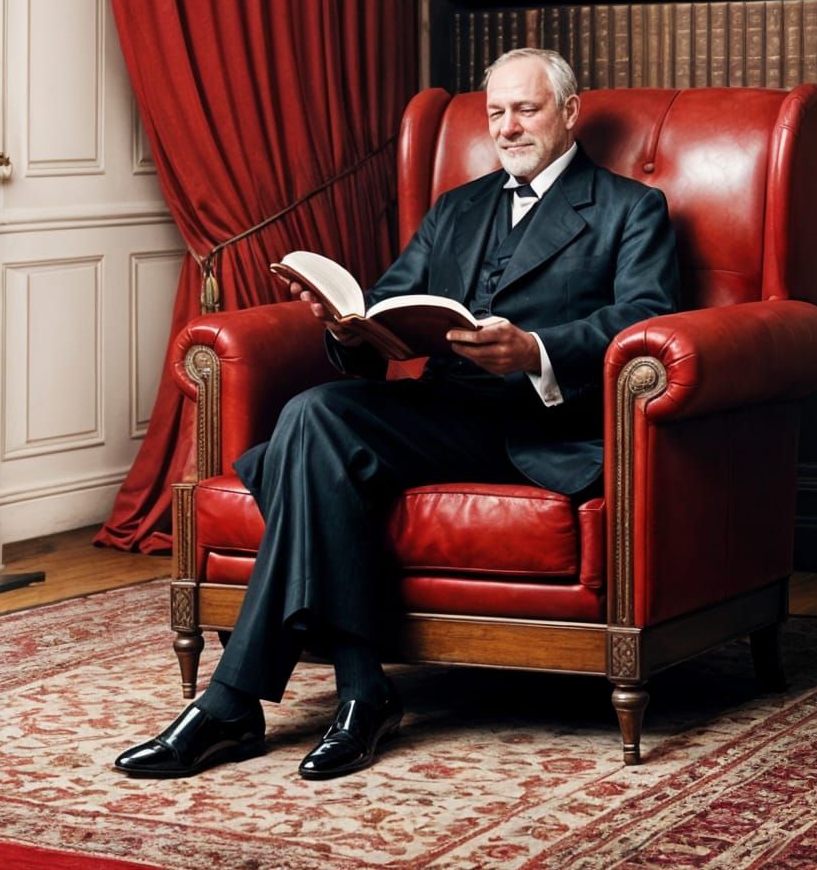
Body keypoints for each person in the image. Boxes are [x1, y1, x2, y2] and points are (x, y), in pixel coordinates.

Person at [115, 48, 679, 781]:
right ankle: (359, 688)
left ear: (570, 113)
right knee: (315, 412)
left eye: (526, 109)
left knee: (306, 434)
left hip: (536, 424)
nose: (508, 128)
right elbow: (388, 303)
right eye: (496, 112)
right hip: (441, 409)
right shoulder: (457, 207)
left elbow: (645, 318)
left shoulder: (631, 208)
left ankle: (240, 702)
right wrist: (346, 325)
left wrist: (534, 350)